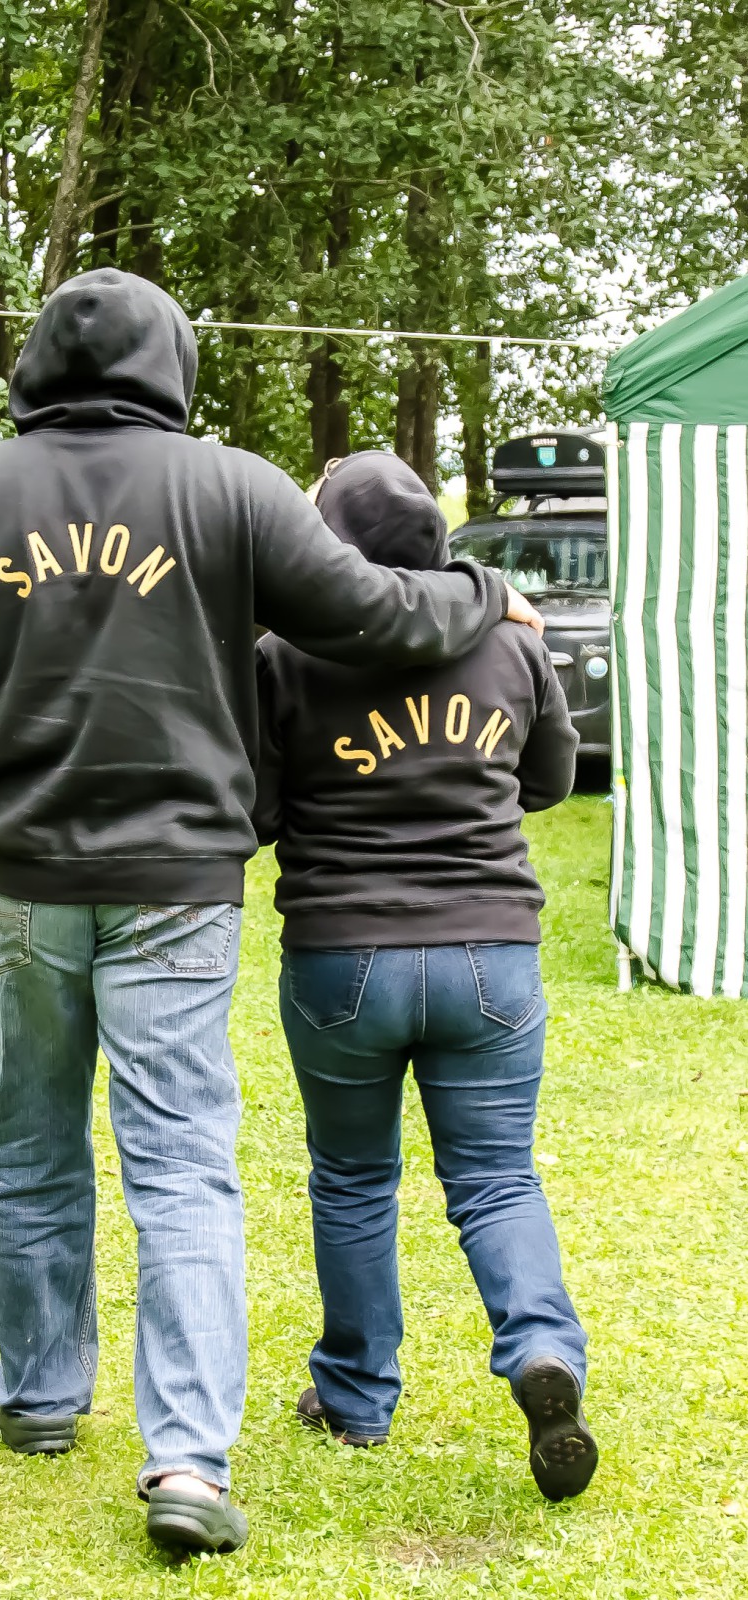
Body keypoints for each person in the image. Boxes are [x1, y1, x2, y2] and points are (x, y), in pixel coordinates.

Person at [0, 269, 542, 1556]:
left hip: (22, 880)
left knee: (28, 1136)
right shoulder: (232, 487)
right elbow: (374, 612)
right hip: (181, 884)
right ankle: (187, 1460)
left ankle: (40, 1395)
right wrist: (479, 594)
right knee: (182, 1158)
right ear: (171, 362)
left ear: (36, 361)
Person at [254, 451, 597, 1503]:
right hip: (490, 955)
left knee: (354, 1179)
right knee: (497, 1178)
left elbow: (257, 810)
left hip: (341, 958)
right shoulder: (514, 640)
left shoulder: (284, 654)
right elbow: (550, 778)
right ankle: (544, 1350)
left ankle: (356, 1398)